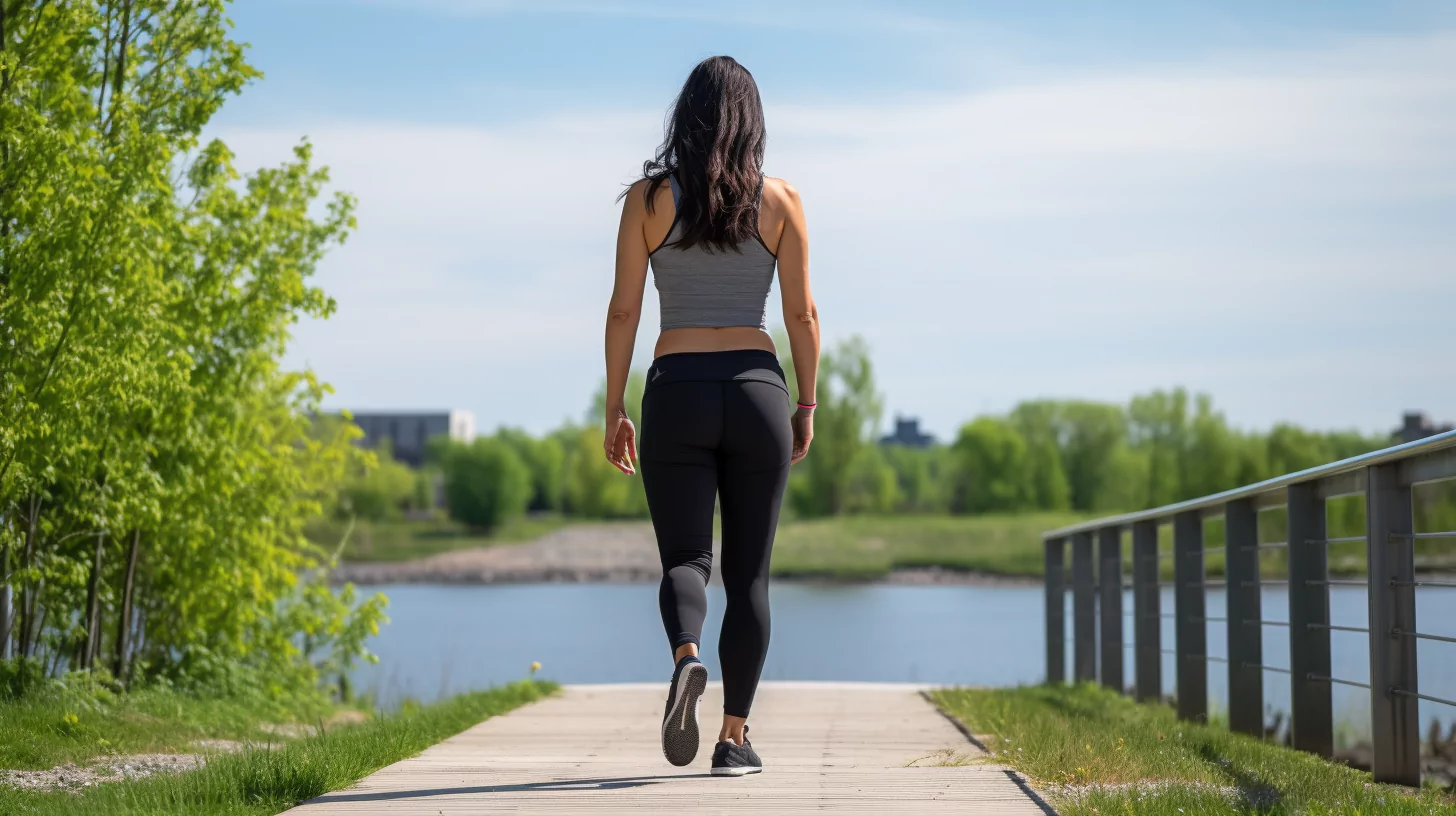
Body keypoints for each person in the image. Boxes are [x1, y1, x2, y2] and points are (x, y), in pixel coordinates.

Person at [602, 55, 819, 777]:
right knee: (749, 576)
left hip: (676, 390)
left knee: (687, 560)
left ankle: (687, 657)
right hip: (758, 389)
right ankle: (733, 740)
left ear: (684, 118)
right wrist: (806, 402)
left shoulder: (647, 201)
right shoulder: (781, 200)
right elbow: (801, 314)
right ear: (751, 121)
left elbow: (625, 309)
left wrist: (615, 407)